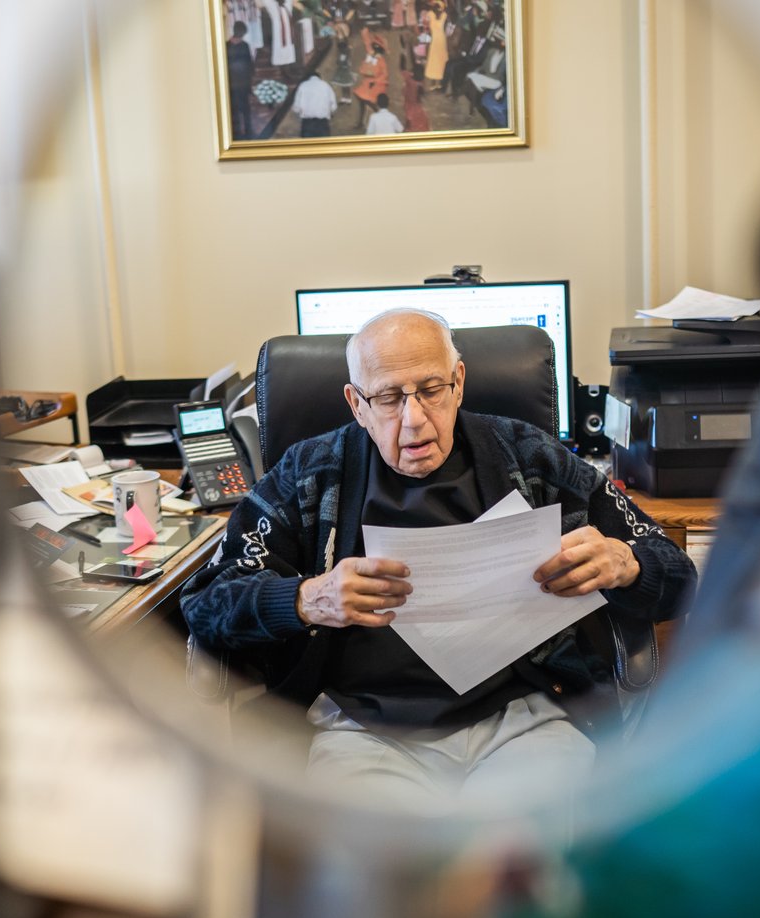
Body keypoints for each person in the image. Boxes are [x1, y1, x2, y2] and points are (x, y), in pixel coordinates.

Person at [182, 309, 696, 818]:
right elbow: (207, 602)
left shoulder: (531, 457)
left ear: (459, 382)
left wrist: (625, 563)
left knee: (509, 860)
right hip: (367, 732)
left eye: (431, 389)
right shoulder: (309, 474)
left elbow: (677, 572)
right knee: (393, 871)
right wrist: (306, 599)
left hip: (522, 723)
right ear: (356, 404)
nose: (414, 419)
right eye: (387, 397)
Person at [226, 21, 256, 140]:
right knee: (242, 109)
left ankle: (241, 132)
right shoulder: (243, 46)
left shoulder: (227, 45)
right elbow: (250, 65)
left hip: (236, 84)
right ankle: (244, 132)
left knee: (239, 109)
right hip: (239, 84)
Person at [292, 71, 338, 137]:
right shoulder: (326, 85)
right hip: (323, 123)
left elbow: (296, 107)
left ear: (308, 78)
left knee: (307, 145)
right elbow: (333, 106)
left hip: (307, 123)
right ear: (319, 77)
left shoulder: (303, 86)